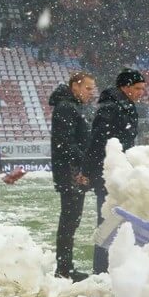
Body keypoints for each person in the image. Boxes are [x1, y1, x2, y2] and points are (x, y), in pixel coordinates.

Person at [86, 68, 146, 274]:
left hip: (121, 172)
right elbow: (96, 142)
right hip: (108, 174)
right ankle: (101, 271)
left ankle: (115, 268)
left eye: (143, 89)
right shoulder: (110, 108)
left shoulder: (126, 106)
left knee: (120, 222)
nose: (141, 92)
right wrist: (87, 171)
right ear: (125, 87)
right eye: (137, 88)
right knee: (107, 222)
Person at [49, 71, 97, 281]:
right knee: (69, 221)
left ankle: (65, 267)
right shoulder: (66, 108)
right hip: (70, 173)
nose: (90, 93)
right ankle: (64, 269)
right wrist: (83, 166)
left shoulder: (71, 107)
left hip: (71, 171)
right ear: (75, 86)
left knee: (71, 221)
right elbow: (65, 144)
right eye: (87, 88)